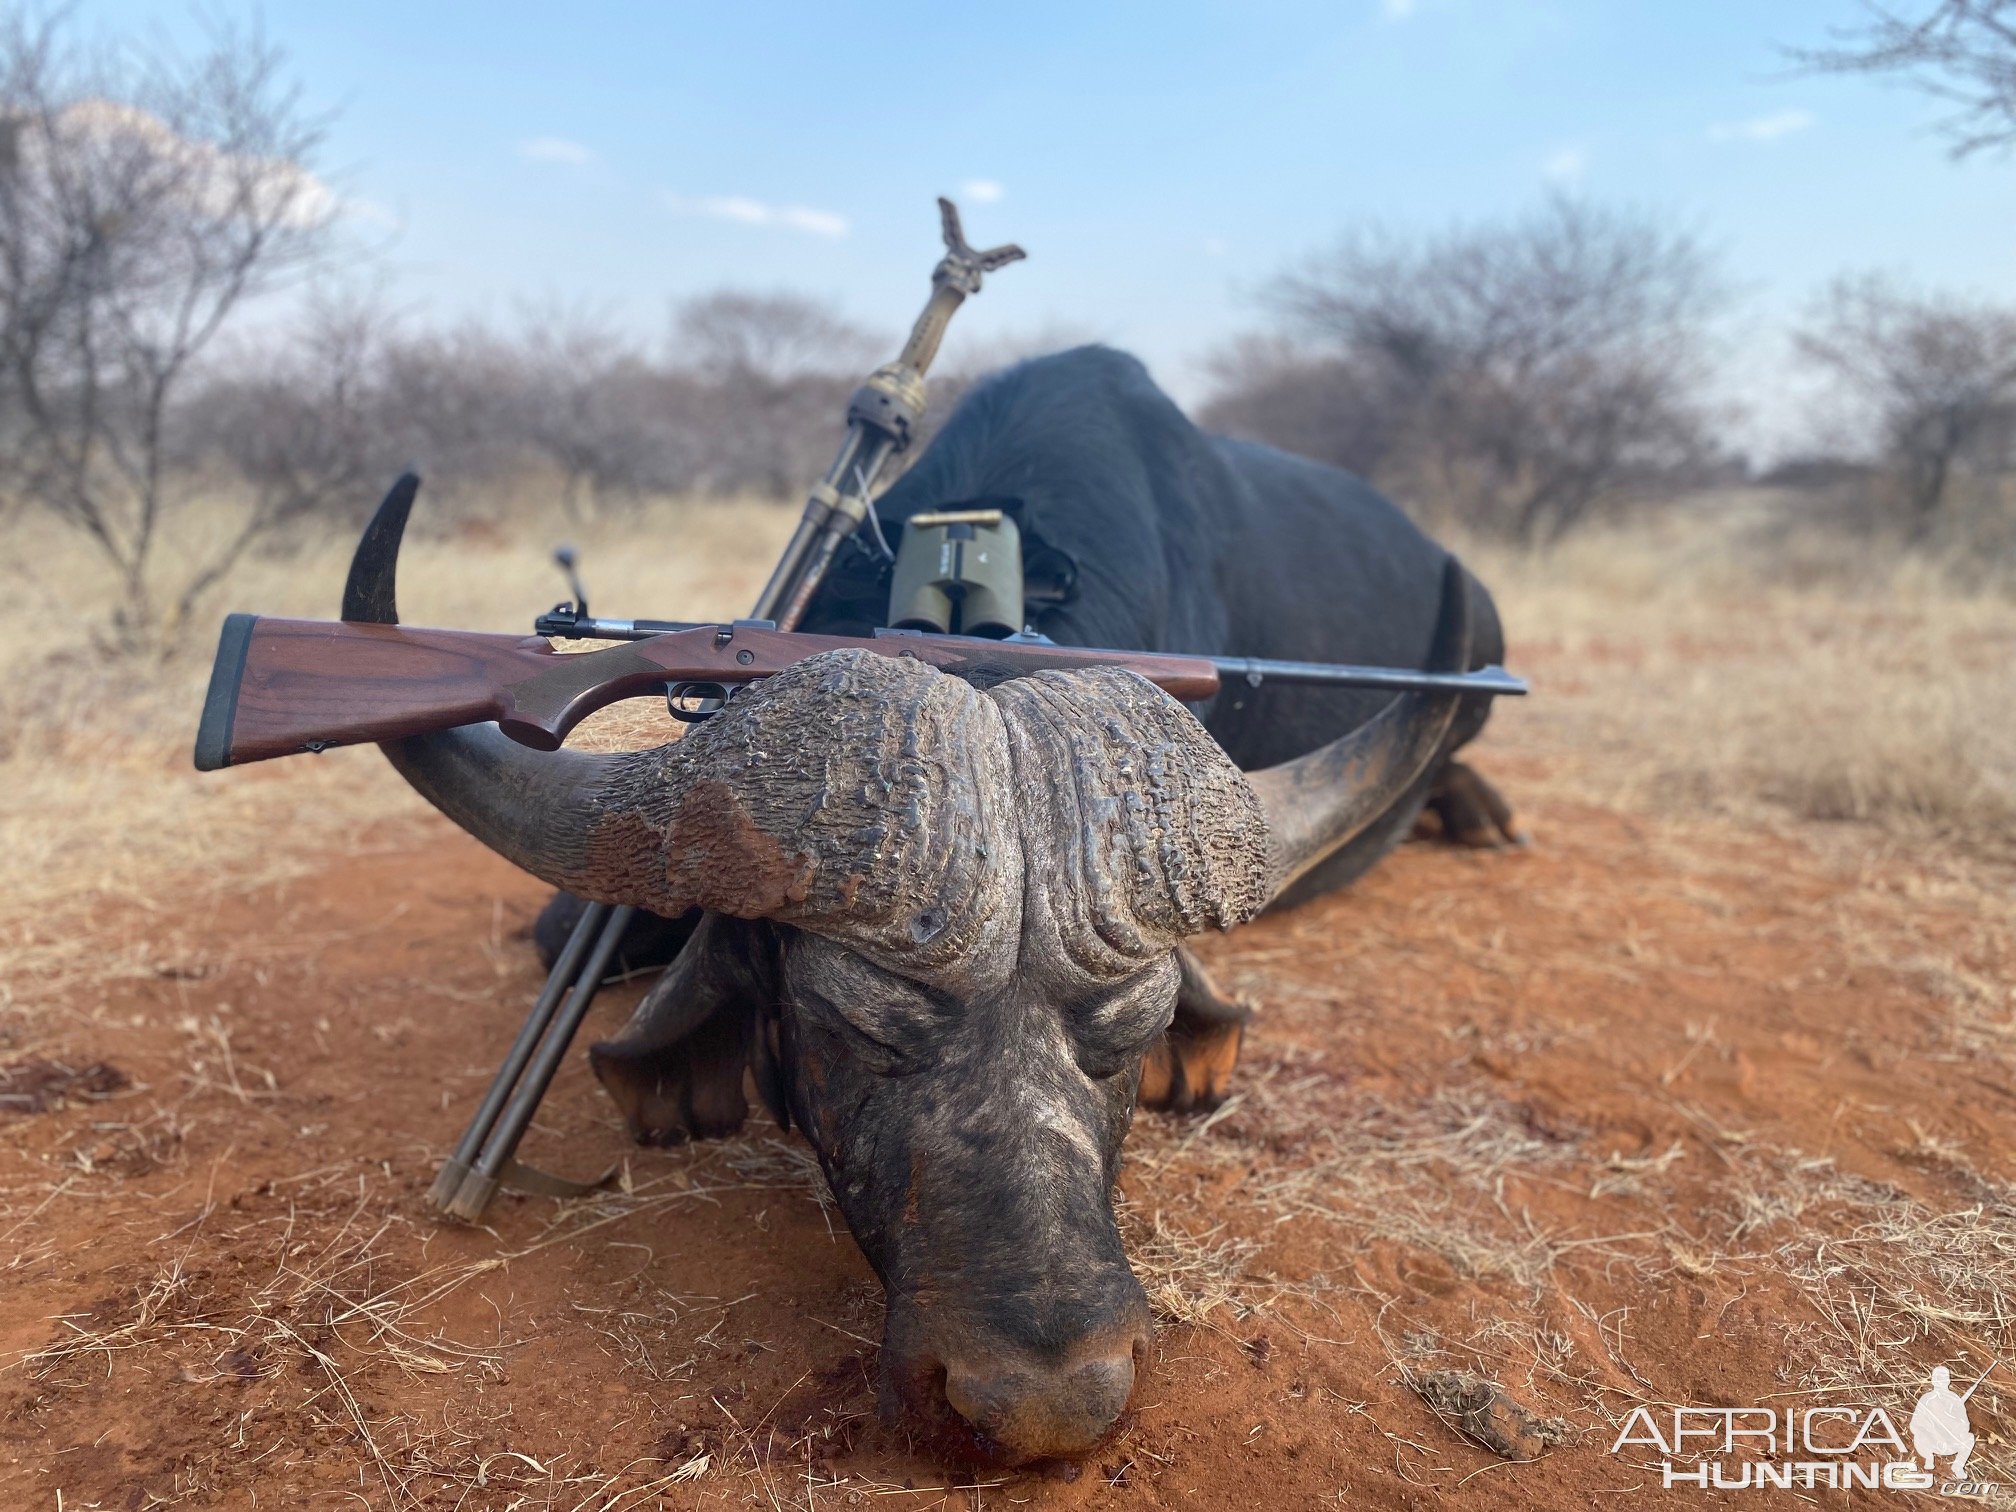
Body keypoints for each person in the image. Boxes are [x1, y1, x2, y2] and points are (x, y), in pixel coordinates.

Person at [1911, 1366, 1975, 1478]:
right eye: (1938, 1377)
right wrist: (1930, 1430)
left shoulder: (1954, 1399)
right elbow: (1915, 1424)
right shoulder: (1926, 1399)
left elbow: (1965, 1424)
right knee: (1919, 1436)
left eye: (1944, 1377)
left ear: (1948, 1380)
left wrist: (1952, 1429)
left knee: (1969, 1438)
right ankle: (1928, 1458)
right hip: (1931, 1442)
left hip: (1950, 1443)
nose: (1941, 1380)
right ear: (1933, 1379)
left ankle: (1958, 1466)